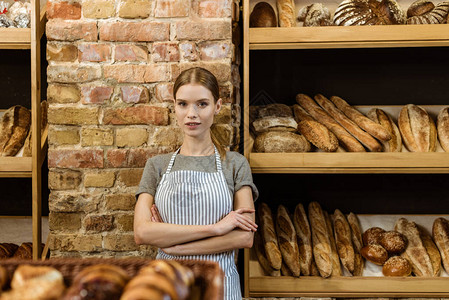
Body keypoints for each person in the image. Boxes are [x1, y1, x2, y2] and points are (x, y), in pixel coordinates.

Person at [134, 67, 259, 299]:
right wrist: (216, 228)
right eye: (183, 104)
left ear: (217, 107)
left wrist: (174, 248)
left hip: (220, 287)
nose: (192, 114)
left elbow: (244, 237)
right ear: (174, 107)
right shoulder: (157, 165)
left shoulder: (235, 164)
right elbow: (142, 232)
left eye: (202, 104)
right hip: (168, 286)